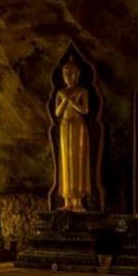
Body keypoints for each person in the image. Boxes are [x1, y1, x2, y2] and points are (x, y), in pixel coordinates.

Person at [55, 57, 90, 211]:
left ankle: (78, 201)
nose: (69, 76)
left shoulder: (82, 91)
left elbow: (85, 110)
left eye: (71, 73)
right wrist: (65, 100)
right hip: (65, 126)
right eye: (66, 73)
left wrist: (71, 100)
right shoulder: (61, 92)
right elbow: (57, 113)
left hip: (78, 126)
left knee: (77, 161)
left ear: (77, 75)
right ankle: (67, 200)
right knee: (66, 162)